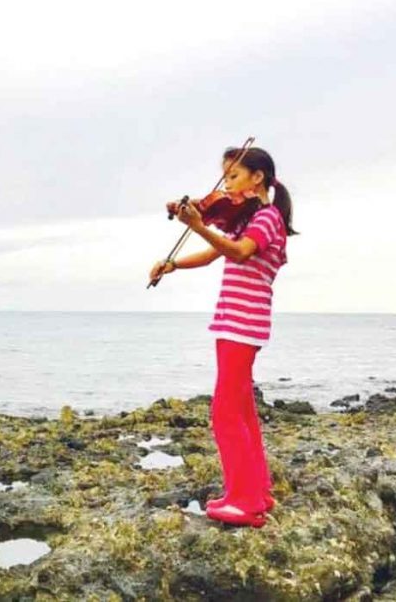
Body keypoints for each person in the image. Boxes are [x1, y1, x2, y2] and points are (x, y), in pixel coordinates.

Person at [148, 146, 297, 527]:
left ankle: (245, 504)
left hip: (241, 324)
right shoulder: (255, 218)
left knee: (225, 413)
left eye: (232, 176)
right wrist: (174, 263)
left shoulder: (265, 219)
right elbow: (218, 254)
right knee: (243, 412)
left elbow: (240, 253)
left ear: (257, 178)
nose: (226, 185)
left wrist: (198, 224)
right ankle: (256, 491)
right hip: (239, 322)